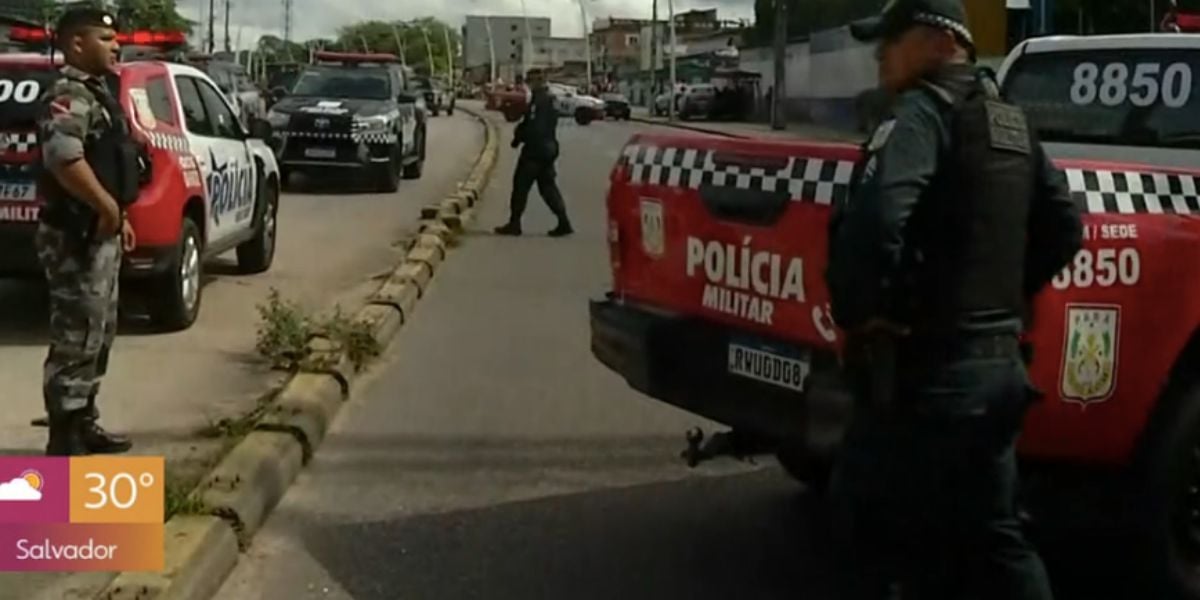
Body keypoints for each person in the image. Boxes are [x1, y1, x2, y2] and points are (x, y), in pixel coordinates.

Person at [824, 0, 1083, 598]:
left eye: (890, 38)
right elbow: (1064, 227)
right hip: (996, 371)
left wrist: (863, 314)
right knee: (995, 540)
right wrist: (1002, 299)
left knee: (869, 532)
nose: (879, 52)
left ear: (936, 39)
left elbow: (879, 219)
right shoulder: (1010, 120)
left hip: (928, 375)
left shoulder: (920, 113)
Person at [36, 7, 141, 456]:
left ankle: (85, 419)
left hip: (101, 232)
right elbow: (64, 158)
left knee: (98, 330)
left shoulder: (99, 93)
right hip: (75, 235)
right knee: (76, 334)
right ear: (76, 43)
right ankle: (64, 436)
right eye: (105, 37)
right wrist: (104, 207)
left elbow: (106, 160)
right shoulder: (68, 93)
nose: (115, 45)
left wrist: (120, 215)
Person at [494, 68, 573, 237]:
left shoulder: (539, 100)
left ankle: (514, 223)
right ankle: (563, 221)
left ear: (537, 81)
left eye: (530, 81)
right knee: (547, 187)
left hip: (535, 150)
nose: (528, 85)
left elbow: (533, 125)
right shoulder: (550, 99)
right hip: (549, 147)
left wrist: (519, 137)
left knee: (520, 186)